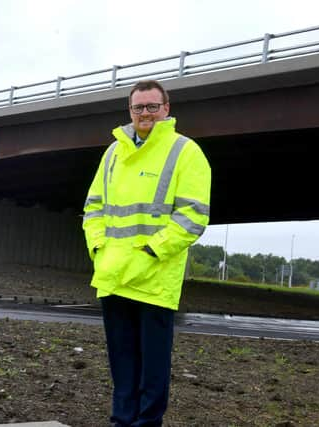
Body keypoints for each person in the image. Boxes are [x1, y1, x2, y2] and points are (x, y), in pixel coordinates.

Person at [82, 80, 211, 426]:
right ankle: (121, 422)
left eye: (152, 106)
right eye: (139, 107)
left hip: (154, 278)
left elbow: (193, 216)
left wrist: (152, 252)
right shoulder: (113, 153)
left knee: (152, 370)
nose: (145, 114)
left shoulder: (185, 151)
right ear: (130, 111)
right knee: (122, 365)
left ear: (166, 109)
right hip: (114, 275)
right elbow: (93, 207)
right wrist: (97, 247)